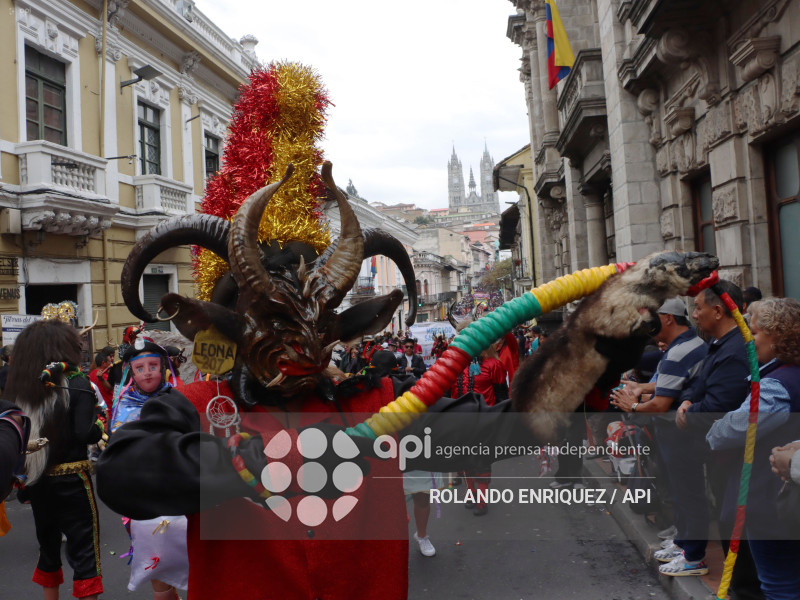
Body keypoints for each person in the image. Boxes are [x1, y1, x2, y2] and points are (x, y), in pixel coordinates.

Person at [658, 282, 754, 584]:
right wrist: (688, 401)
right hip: (717, 448)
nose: (695, 314)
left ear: (718, 310)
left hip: (730, 450)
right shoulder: (719, 344)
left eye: (698, 307)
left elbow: (719, 404)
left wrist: (689, 412)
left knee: (730, 518)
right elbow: (701, 387)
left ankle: (738, 581)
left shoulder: (736, 349)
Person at [707, 298, 800, 600]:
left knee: (778, 586)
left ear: (778, 337)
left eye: (756, 332)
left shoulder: (776, 385)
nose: (749, 339)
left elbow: (728, 432)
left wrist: (715, 427)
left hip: (771, 501)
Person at [6, 320, 104, 599]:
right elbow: (86, 432)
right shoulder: (76, 382)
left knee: (48, 547)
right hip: (73, 480)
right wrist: (100, 425)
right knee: (85, 549)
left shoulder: (19, 389)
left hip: (37, 481)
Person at [113, 337, 187, 600]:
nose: (147, 373)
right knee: (159, 570)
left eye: (153, 366)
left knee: (194, 567)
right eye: (140, 368)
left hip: (181, 497)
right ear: (131, 372)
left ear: (164, 367)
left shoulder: (180, 400)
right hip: (142, 500)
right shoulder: (123, 404)